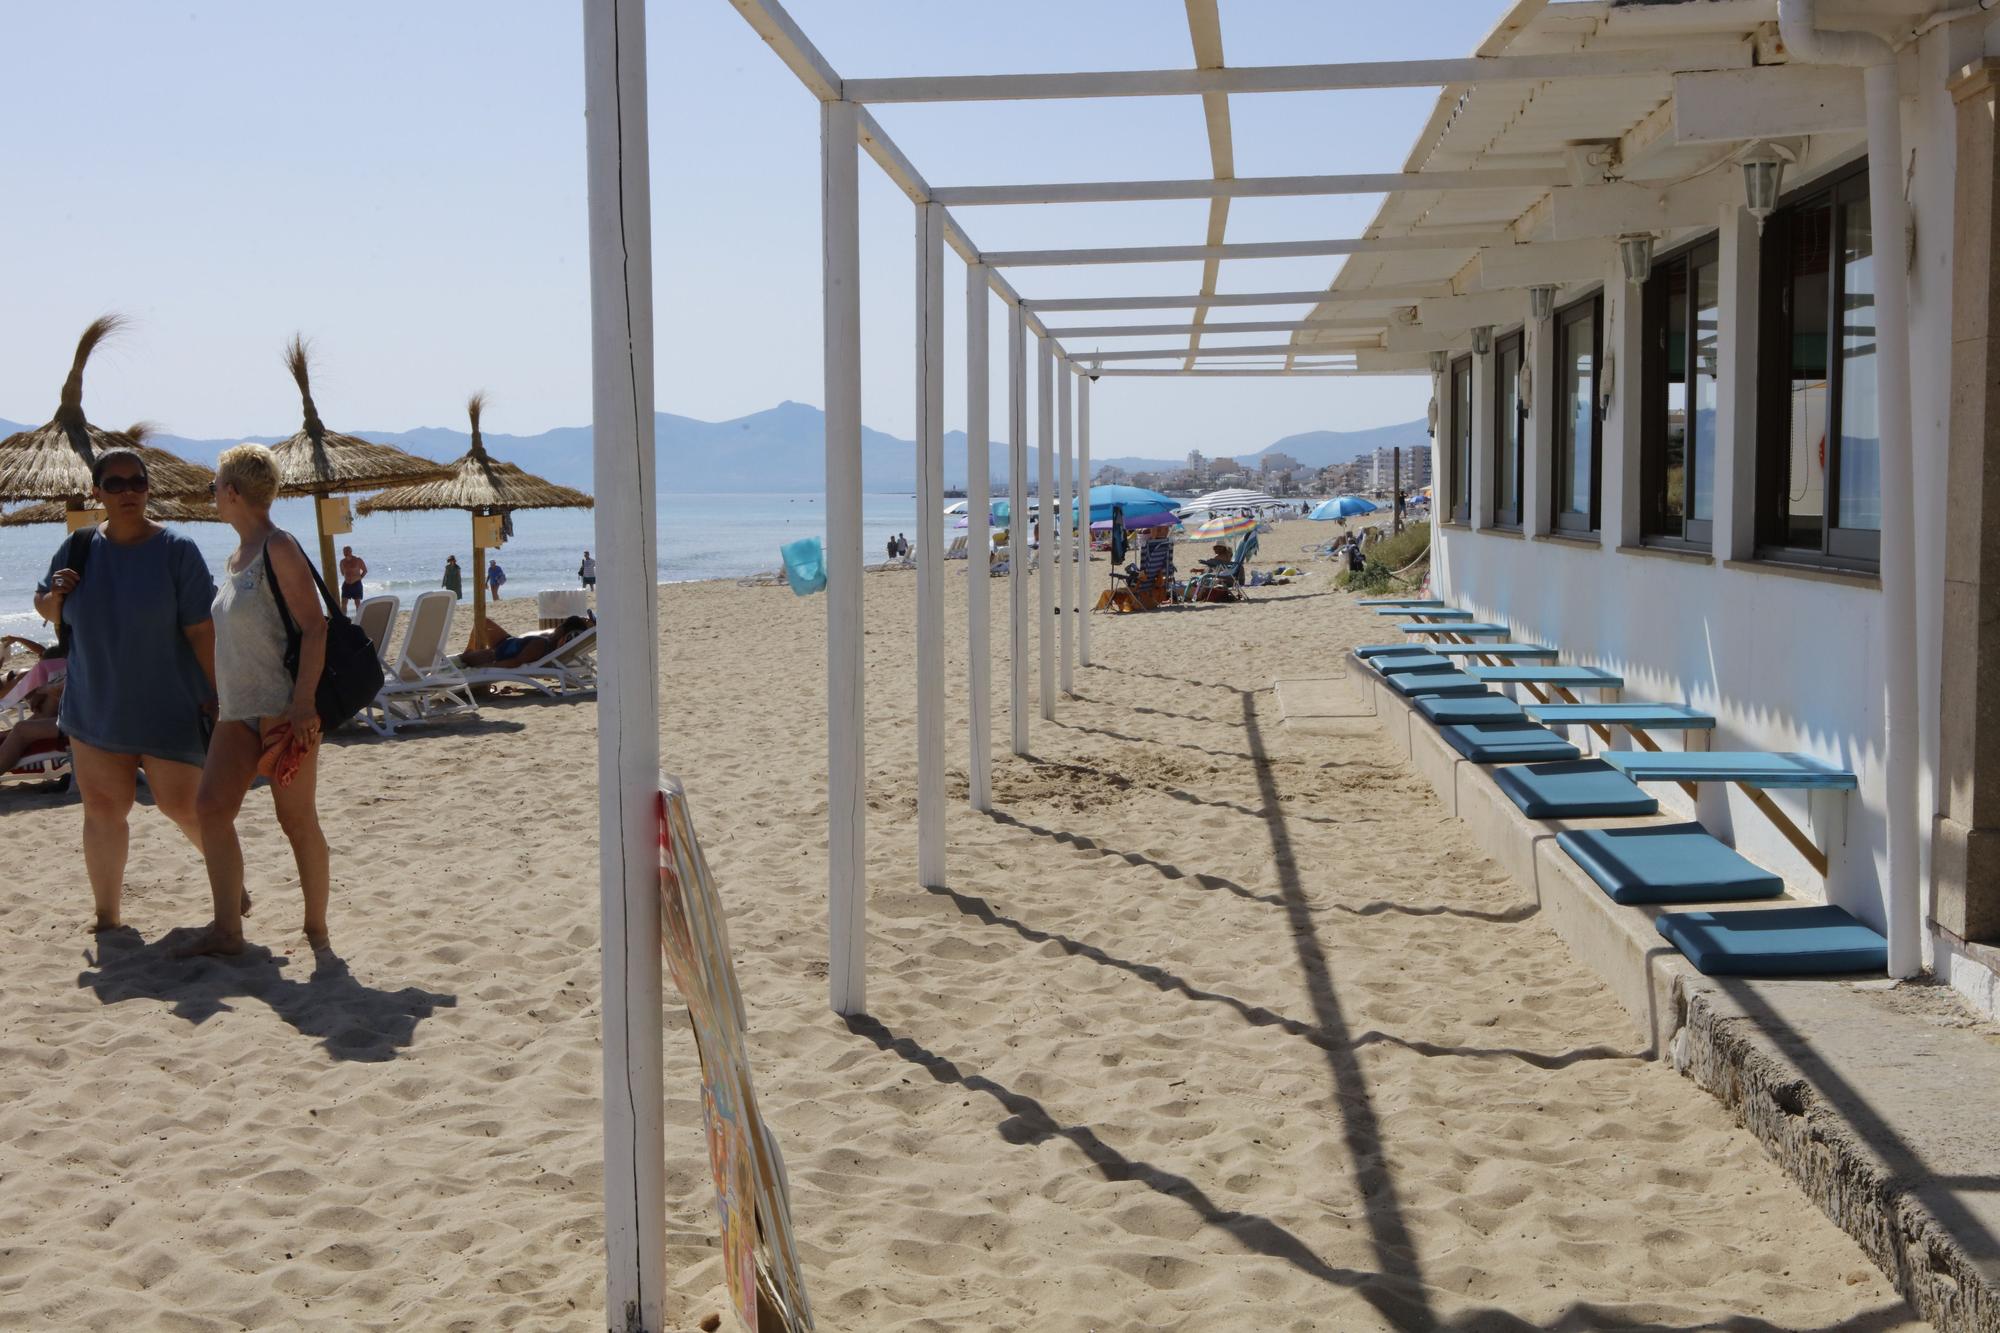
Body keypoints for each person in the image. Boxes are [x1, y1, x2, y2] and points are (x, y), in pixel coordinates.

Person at [33, 448, 219, 933]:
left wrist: (221, 698)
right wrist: (56, 597)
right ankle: (107, 917)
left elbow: (203, 631)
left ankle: (229, 886)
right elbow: (48, 610)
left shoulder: (178, 549)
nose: (127, 492)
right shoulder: (76, 549)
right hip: (96, 706)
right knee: (101, 809)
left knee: (184, 806)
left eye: (136, 482)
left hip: (170, 706)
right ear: (97, 493)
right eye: (114, 484)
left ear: (148, 487)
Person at [181, 443, 330, 958]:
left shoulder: (278, 546)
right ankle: (227, 931)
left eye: (214, 487)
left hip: (281, 710)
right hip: (236, 710)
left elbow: (315, 627)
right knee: (210, 808)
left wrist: (304, 704)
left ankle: (317, 931)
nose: (212, 496)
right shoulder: (238, 554)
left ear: (231, 492)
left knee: (296, 821)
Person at [457, 615, 591, 669]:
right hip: (506, 641)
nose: (556, 628)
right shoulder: (551, 642)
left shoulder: (540, 645)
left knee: (463, 660)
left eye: (560, 626)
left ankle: (468, 653)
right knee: (482, 620)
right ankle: (469, 650)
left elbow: (515, 662)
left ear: (563, 632)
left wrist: (486, 667)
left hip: (495, 654)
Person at [0, 676, 65, 775]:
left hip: (85, 724)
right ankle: (10, 735)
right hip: (81, 719)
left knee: (21, 729)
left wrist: (43, 690)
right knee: (52, 699)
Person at [337, 544, 368, 615]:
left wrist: (359, 578)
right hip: (347, 584)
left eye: (347, 551)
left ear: (351, 551)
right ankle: (344, 619)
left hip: (356, 584)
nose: (345, 552)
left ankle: (359, 618)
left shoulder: (358, 560)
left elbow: (365, 570)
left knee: (357, 603)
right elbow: (342, 573)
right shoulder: (342, 562)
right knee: (344, 603)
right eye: (344, 551)